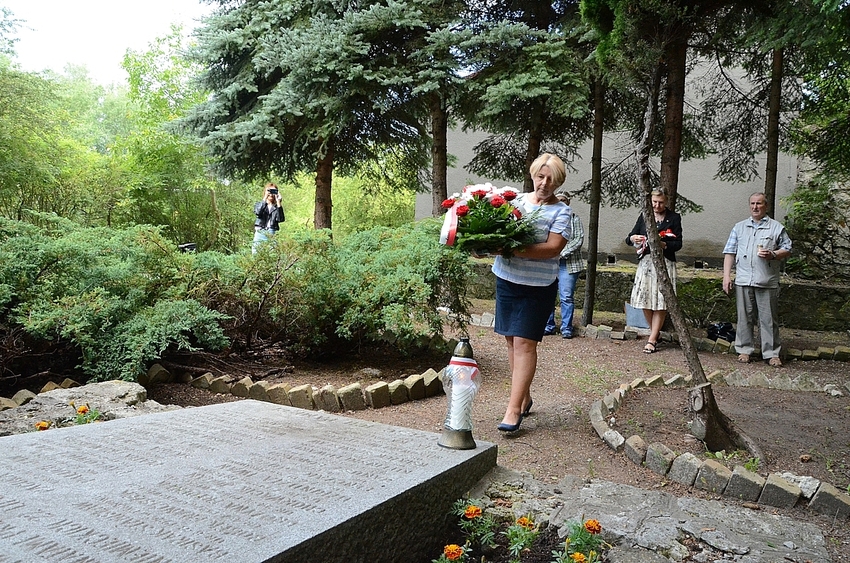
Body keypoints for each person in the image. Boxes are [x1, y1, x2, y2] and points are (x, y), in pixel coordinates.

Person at [493, 153, 572, 433]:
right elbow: (497, 234)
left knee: (525, 343)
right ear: (533, 175)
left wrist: (511, 249)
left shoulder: (562, 212)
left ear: (558, 183)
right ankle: (523, 397)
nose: (544, 183)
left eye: (551, 179)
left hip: (537, 287)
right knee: (511, 341)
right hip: (507, 280)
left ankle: (513, 409)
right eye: (541, 176)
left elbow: (552, 248)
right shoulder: (513, 202)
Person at [722, 192, 792, 367]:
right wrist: (726, 276)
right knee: (744, 317)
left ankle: (771, 353)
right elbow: (729, 252)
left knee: (768, 319)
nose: (755, 207)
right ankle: (744, 350)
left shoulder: (776, 227)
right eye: (752, 203)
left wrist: (773, 254)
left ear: (765, 206)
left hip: (766, 281)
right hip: (743, 279)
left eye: (759, 204)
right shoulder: (739, 227)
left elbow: (787, 248)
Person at [625, 189, 683, 354]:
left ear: (666, 201)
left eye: (661, 202)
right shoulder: (644, 216)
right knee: (645, 299)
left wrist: (664, 245)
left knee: (661, 301)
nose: (657, 206)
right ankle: (655, 334)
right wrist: (633, 239)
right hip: (646, 264)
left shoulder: (674, 218)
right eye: (654, 202)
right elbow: (629, 238)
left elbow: (678, 244)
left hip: (665, 263)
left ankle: (651, 339)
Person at [543, 191, 584, 339]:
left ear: (568, 202)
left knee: (566, 296)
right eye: (558, 199)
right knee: (548, 294)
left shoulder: (574, 219)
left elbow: (578, 240)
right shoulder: (549, 217)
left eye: (564, 200)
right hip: (550, 263)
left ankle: (566, 328)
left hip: (568, 264)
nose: (561, 202)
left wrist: (560, 253)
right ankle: (548, 325)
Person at [252, 182, 285, 254]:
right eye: (269, 191)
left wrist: (278, 202)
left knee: (272, 255)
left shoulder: (277, 207)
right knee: (256, 255)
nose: (271, 194)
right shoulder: (259, 204)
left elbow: (280, 219)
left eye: (273, 191)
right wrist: (265, 198)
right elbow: (258, 212)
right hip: (260, 232)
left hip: (271, 233)